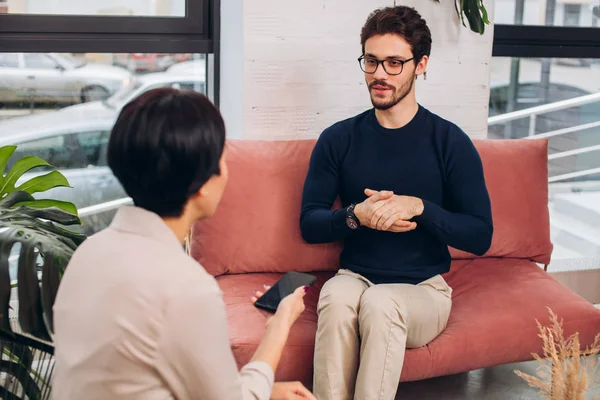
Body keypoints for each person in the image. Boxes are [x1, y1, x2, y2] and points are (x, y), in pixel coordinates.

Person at [52, 88, 316, 400]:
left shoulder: (88, 253)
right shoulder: (185, 288)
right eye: (223, 158)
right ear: (203, 185)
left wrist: (264, 390)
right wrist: (281, 322)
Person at [300, 6, 493, 400]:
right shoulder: (338, 139)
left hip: (424, 289)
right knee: (336, 300)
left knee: (381, 302)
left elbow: (480, 235)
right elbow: (310, 223)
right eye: (371, 61)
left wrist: (420, 207)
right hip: (354, 276)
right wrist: (356, 216)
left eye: (393, 63)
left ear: (421, 65)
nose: (379, 75)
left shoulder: (449, 141)